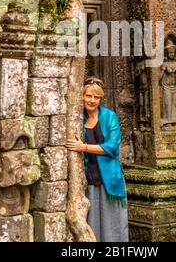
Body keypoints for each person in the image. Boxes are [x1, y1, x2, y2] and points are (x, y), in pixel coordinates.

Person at [65, 77, 129, 242]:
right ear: (82, 96)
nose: (92, 100)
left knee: (112, 225)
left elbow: (113, 147)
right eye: (88, 96)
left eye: (96, 97)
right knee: (93, 222)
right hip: (89, 180)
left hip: (110, 180)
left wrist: (83, 147)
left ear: (101, 99)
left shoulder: (109, 116)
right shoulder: (77, 119)